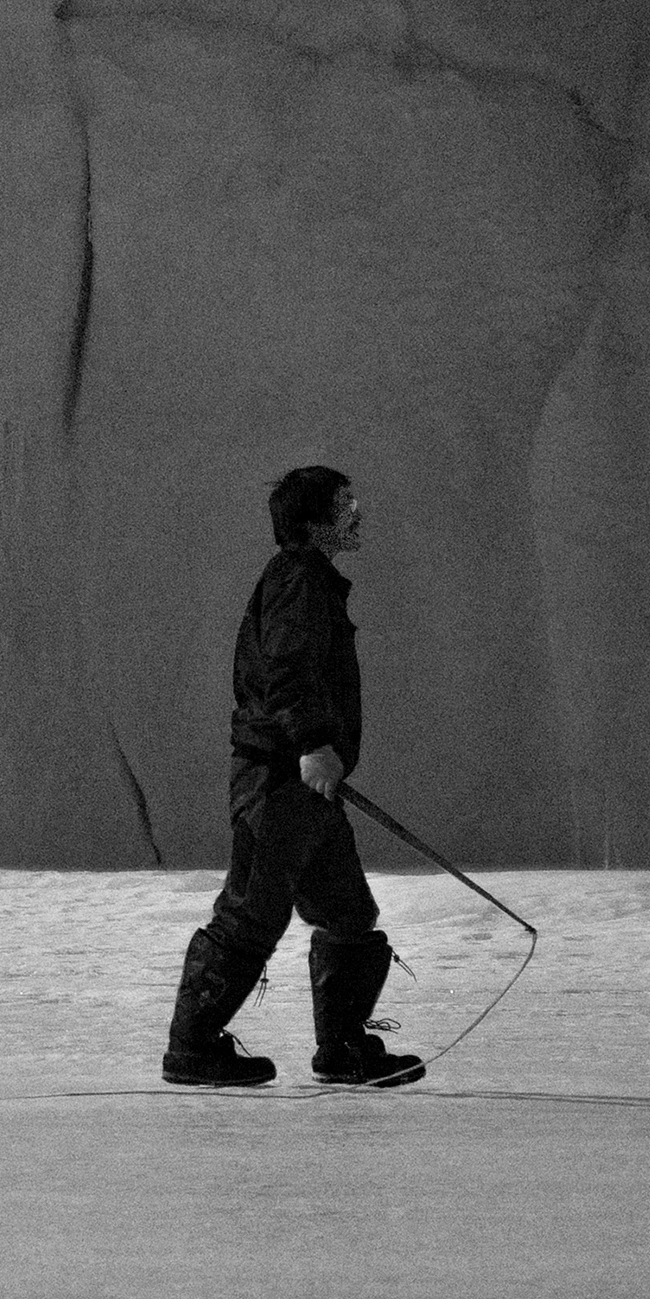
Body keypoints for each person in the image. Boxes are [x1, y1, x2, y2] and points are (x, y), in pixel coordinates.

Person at [160, 465, 422, 1089]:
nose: (356, 511)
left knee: (348, 913)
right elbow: (286, 668)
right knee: (250, 914)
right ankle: (192, 1049)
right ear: (313, 522)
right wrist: (311, 744)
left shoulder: (313, 582)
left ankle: (343, 1049)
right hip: (278, 783)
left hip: (307, 788)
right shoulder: (297, 582)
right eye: (343, 503)